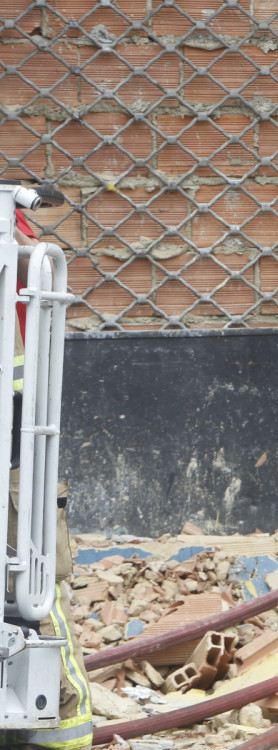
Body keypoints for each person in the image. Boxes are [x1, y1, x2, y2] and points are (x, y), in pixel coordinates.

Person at [1, 209, 93, 750]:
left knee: (34, 598)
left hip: (14, 458)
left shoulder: (18, 248)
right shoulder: (22, 248)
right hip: (18, 457)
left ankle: (62, 735)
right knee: (34, 595)